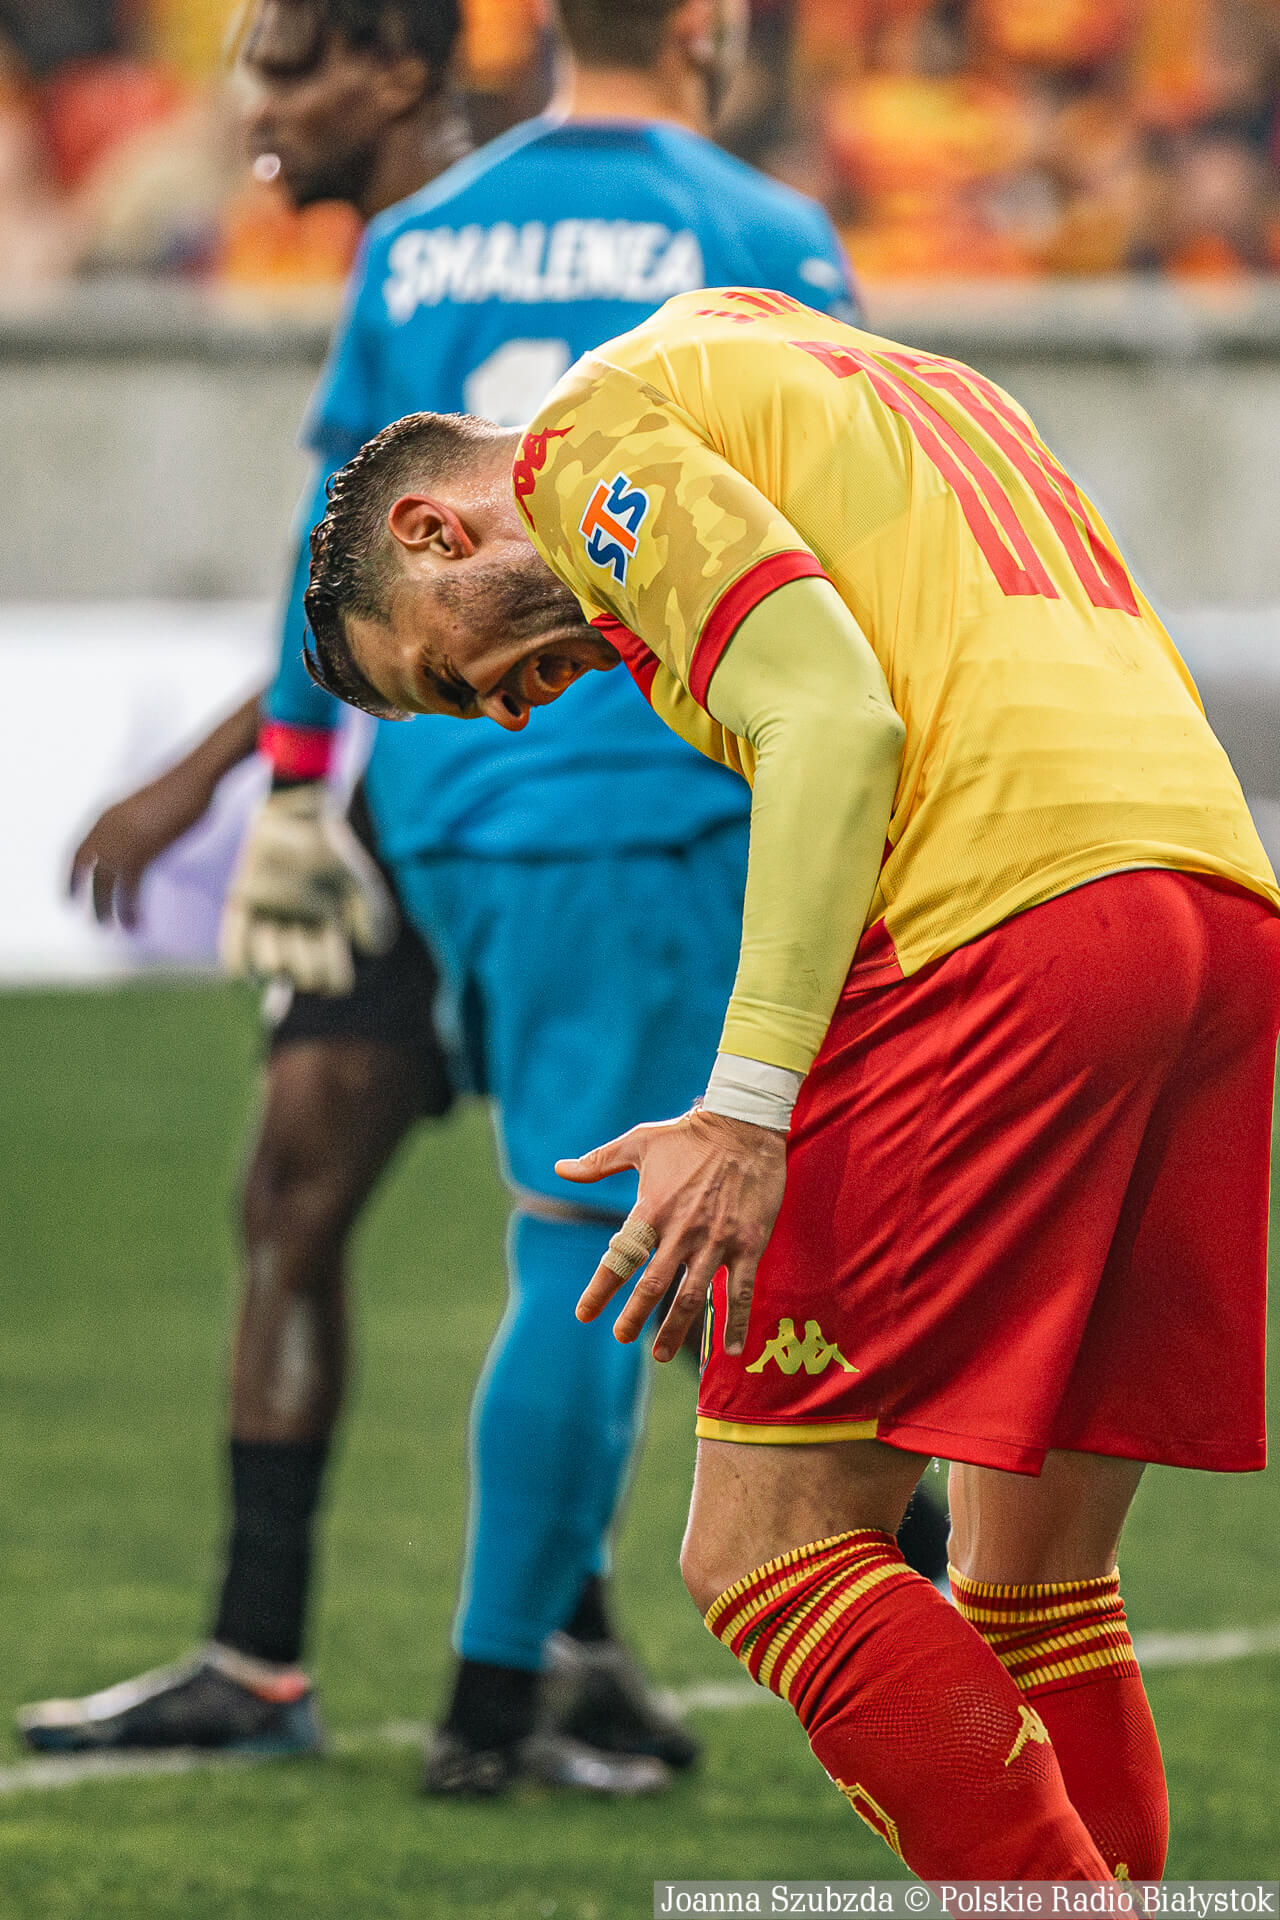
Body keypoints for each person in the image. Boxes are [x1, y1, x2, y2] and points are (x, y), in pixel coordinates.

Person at [25, 0, 953, 1793]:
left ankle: (416, 1652)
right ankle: (496, 1697)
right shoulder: (759, 227)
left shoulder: (423, 238)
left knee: (416, 1205)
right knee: (609, 1236)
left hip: (437, 789)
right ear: (705, 29)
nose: (264, 108)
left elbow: (342, 528)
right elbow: (850, 498)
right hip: (642, 774)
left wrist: (298, 782)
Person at [296, 284, 1280, 1877]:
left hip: (1000, 917)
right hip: (1212, 911)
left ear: (434, 531)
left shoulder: (584, 441)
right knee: (1034, 1590)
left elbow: (832, 715)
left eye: (452, 677)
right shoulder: (857, 368)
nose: (511, 710)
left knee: (771, 1550)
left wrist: (747, 1113)